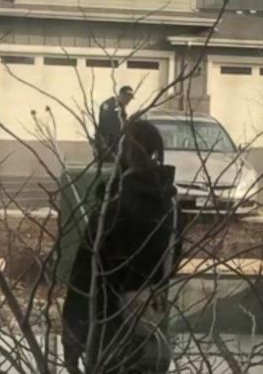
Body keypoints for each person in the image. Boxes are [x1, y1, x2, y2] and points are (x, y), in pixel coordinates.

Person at [63, 120, 180, 373]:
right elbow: (172, 264)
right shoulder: (170, 207)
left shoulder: (111, 210)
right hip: (153, 331)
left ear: (124, 152)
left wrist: (72, 338)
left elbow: (84, 278)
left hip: (109, 339)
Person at [94, 85, 135, 161]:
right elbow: (110, 126)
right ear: (122, 95)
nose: (128, 102)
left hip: (115, 144)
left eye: (130, 99)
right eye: (128, 99)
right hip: (108, 144)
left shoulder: (121, 108)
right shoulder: (110, 105)